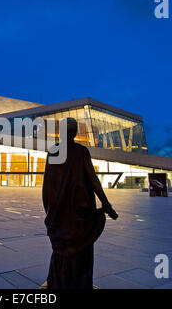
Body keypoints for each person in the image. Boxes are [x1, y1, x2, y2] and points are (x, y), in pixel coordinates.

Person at [42, 117, 118, 289]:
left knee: (61, 249)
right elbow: (93, 180)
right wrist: (106, 204)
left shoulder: (53, 151)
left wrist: (50, 210)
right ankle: (81, 284)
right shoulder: (81, 151)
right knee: (81, 249)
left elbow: (48, 184)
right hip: (79, 211)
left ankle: (57, 283)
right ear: (75, 133)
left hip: (59, 211)